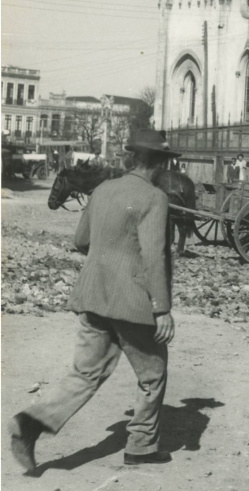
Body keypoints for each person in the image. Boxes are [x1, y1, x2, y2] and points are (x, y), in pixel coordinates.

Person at [8, 129, 178, 471]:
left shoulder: (102, 190)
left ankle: (30, 422)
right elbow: (154, 255)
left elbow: (81, 240)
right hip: (132, 302)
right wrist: (162, 309)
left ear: (132, 158)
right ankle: (142, 444)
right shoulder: (154, 198)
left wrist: (109, 250)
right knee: (153, 372)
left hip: (93, 294)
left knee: (85, 373)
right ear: (159, 163)